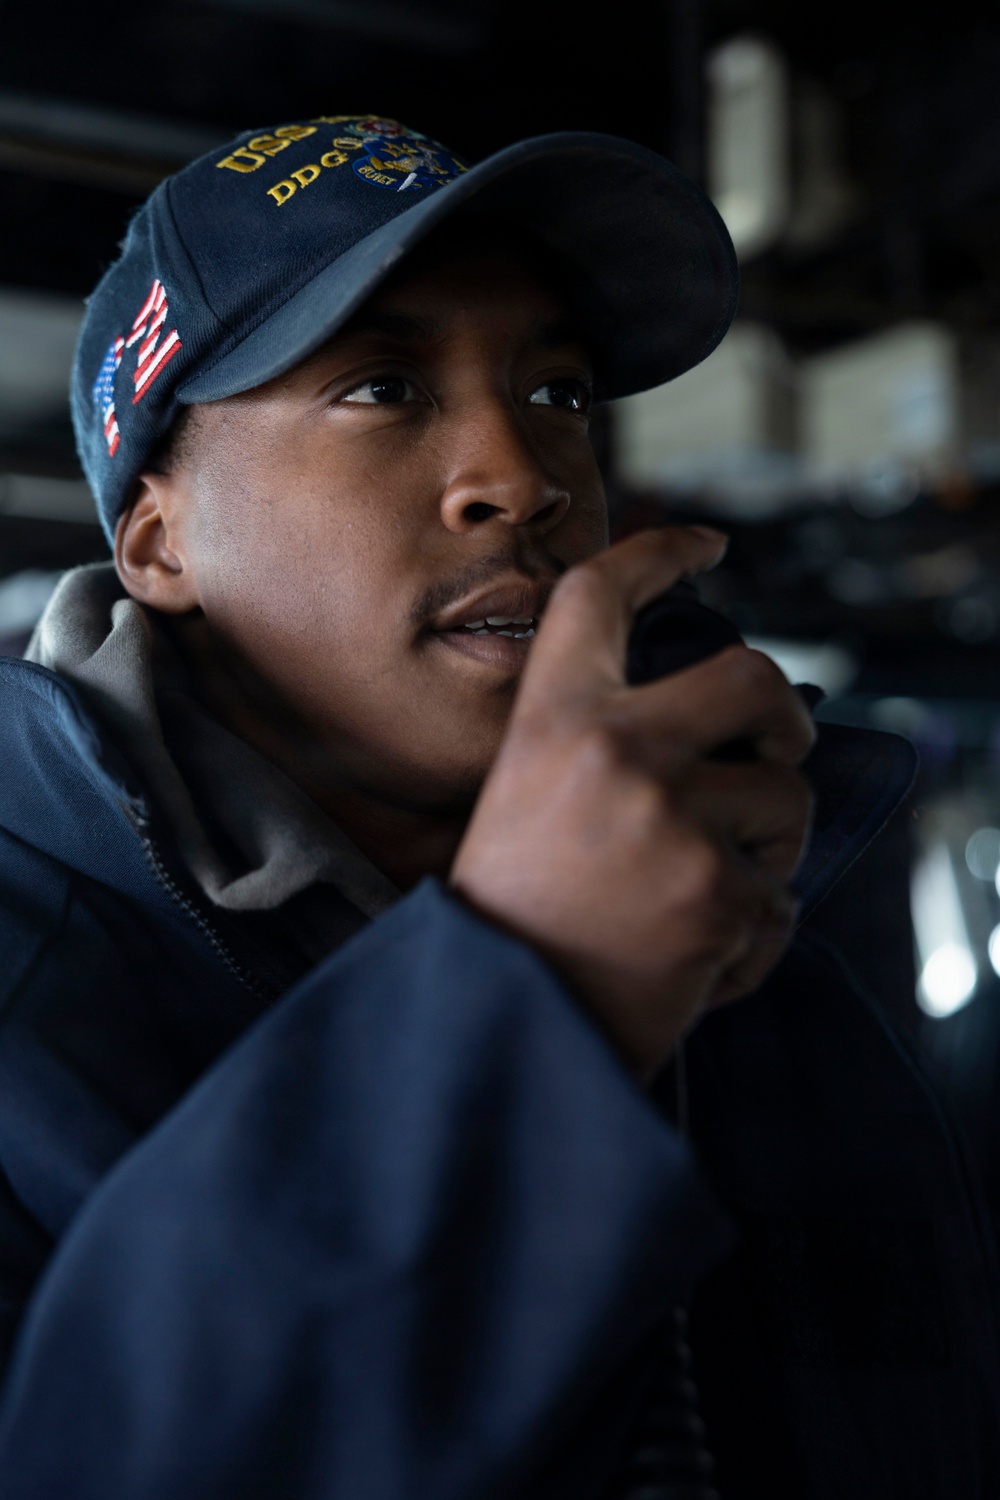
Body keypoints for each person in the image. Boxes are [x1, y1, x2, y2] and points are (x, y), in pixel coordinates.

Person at [0, 113, 996, 1500]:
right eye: (386, 387)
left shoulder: (754, 925)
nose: (524, 480)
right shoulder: (31, 990)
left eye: (563, 394)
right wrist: (533, 997)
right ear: (160, 543)